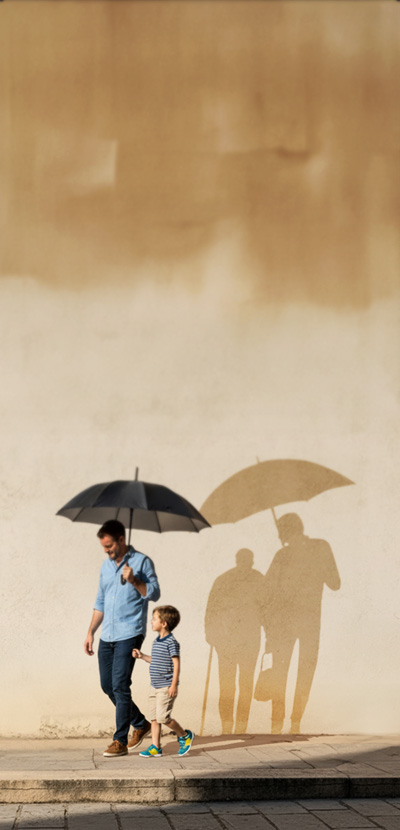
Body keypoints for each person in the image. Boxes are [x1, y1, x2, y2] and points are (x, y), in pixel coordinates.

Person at [84, 519, 160, 757]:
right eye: (103, 547)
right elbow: (100, 602)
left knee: (120, 684)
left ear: (121, 540)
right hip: (108, 634)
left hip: (130, 633)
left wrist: (136, 581)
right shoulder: (106, 568)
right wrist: (90, 632)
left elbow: (155, 593)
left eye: (110, 546)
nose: (106, 551)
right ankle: (140, 723)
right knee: (108, 685)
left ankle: (120, 741)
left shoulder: (142, 562)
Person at [263, 513, 341, 734]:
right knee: (305, 671)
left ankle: (276, 724)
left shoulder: (282, 554)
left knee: (280, 671)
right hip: (310, 621)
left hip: (283, 623)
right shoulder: (321, 547)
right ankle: (295, 723)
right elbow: (335, 583)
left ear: (284, 533)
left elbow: (267, 590)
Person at [204, 549, 264, 733]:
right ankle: (233, 727)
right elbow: (211, 610)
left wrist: (211, 635)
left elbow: (266, 610)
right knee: (236, 684)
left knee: (235, 684)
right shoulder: (254, 579)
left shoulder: (228, 579)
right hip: (234, 641)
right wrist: (211, 635)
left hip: (238, 640)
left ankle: (235, 727)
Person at [132, 605, 194, 757]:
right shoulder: (156, 642)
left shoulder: (171, 642)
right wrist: (142, 656)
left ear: (164, 623)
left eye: (154, 619)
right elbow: (155, 660)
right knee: (154, 718)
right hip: (154, 686)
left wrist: (173, 685)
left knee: (163, 718)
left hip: (166, 687)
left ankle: (185, 735)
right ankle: (155, 747)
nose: (151, 622)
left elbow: (176, 664)